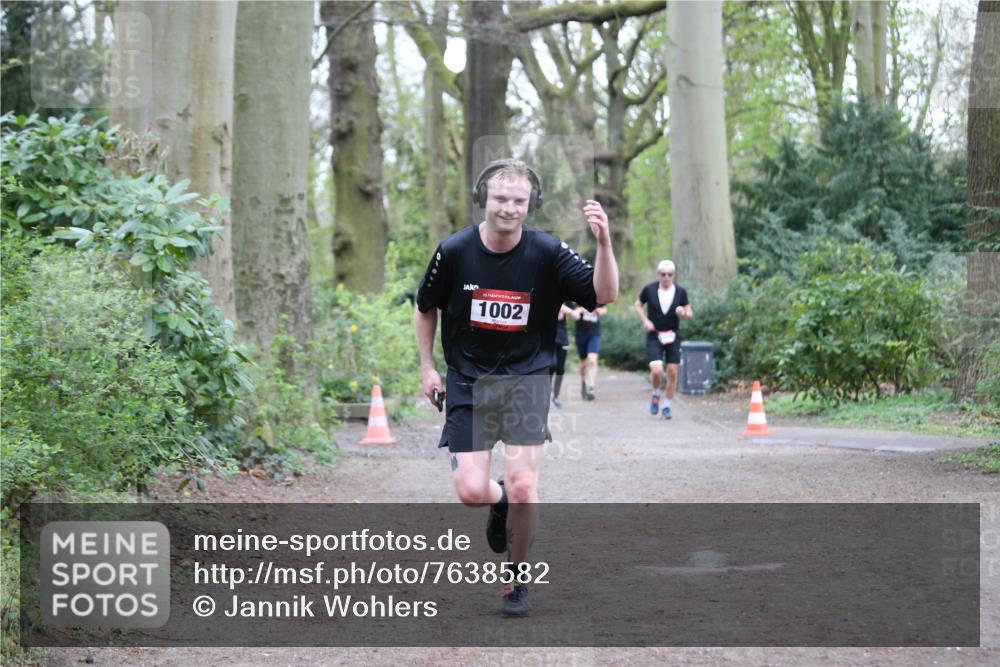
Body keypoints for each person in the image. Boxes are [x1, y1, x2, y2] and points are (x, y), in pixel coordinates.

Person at [414, 159, 618, 616]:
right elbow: (426, 307)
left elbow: (603, 295)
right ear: (483, 198)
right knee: (470, 490)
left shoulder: (548, 252)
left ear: (532, 204)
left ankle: (517, 578)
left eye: (519, 201)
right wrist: (428, 368)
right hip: (468, 381)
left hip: (527, 379)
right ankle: (499, 500)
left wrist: (604, 243)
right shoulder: (454, 251)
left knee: (527, 485)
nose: (509, 208)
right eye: (501, 198)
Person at [633, 259, 692, 419]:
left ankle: (667, 405)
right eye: (663, 274)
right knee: (657, 371)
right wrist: (645, 320)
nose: (666, 277)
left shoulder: (680, 292)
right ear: (659, 274)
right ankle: (656, 393)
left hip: (673, 336)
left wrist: (683, 313)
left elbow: (689, 313)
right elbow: (638, 304)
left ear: (674, 275)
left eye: (670, 274)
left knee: (672, 372)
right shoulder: (650, 290)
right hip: (655, 335)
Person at [568, 302, 607, 400]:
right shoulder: (576, 296)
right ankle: (583, 382)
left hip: (594, 334)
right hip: (581, 334)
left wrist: (599, 311)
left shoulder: (597, 295)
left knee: (592, 359)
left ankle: (591, 388)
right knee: (583, 362)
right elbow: (572, 311)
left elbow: (604, 309)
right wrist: (580, 310)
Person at [550, 303, 575, 410]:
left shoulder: (569, 301)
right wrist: (570, 311)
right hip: (550, 339)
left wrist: (575, 312)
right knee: (551, 365)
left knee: (560, 369)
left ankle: (556, 396)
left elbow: (576, 313)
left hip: (562, 338)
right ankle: (546, 393)